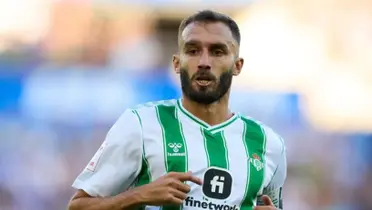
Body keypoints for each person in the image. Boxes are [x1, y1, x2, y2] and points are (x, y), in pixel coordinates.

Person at [68, 10, 286, 210]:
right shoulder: (141, 124)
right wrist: (139, 195)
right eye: (192, 51)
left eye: (217, 52)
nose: (204, 62)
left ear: (237, 65)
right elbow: (78, 206)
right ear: (176, 63)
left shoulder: (268, 143)